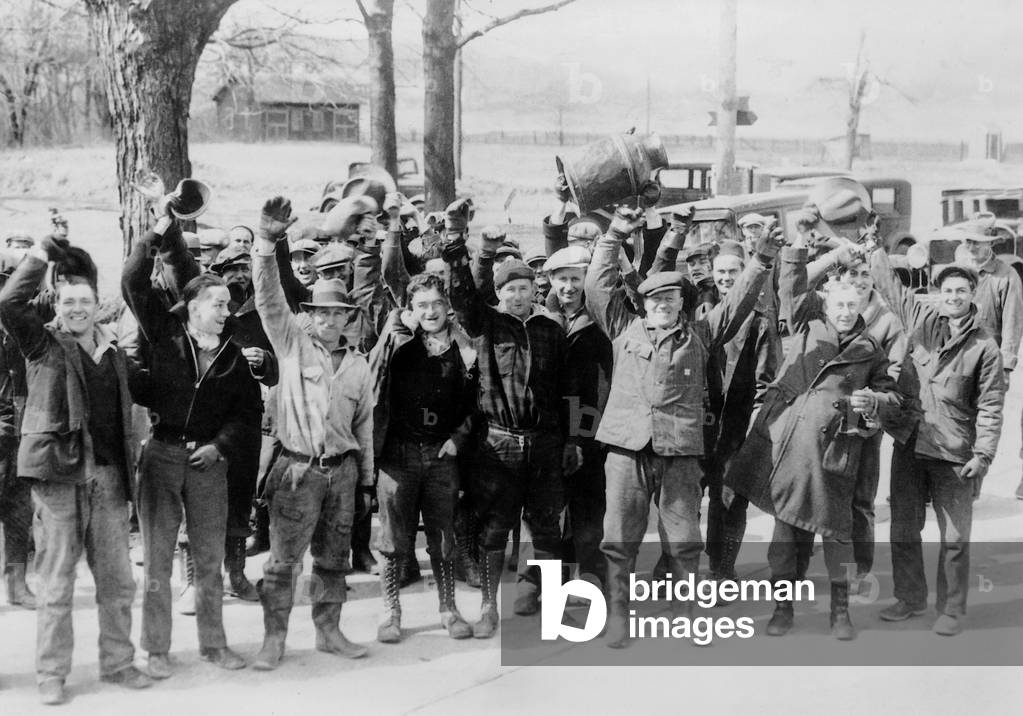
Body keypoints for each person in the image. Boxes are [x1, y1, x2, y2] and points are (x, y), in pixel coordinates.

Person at [586, 207, 777, 648]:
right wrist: (614, 232)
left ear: (682, 304)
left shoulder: (701, 335)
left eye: (672, 299)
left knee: (685, 540)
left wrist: (761, 261)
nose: (664, 305)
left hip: (679, 452)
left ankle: (686, 613)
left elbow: (738, 303)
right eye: (656, 300)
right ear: (644, 305)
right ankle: (618, 617)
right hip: (626, 450)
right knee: (619, 539)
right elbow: (598, 284)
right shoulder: (623, 328)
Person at [725, 233, 901, 642]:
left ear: (863, 307)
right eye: (838, 303)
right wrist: (827, 253)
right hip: (793, 450)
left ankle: (841, 612)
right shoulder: (806, 322)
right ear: (827, 302)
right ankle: (782, 609)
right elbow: (792, 283)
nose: (844, 311)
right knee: (785, 535)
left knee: (838, 536)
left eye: (852, 305)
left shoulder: (870, 348)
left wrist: (874, 400)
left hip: (836, 454)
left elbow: (892, 394)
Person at [0, 239, 152, 704]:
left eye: (85, 301)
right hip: (59, 478)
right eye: (68, 301)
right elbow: (8, 300)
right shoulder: (41, 343)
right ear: (56, 304)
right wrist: (42, 254)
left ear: (96, 305)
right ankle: (51, 673)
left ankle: (119, 662)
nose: (78, 309)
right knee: (58, 582)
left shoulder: (114, 353)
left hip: (108, 479)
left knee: (118, 581)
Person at [123, 212, 262, 677]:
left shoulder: (234, 355)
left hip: (208, 464)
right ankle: (156, 650)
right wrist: (159, 231)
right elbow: (132, 279)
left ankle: (214, 645)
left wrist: (220, 446)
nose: (227, 311)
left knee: (209, 561)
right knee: (159, 564)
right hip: (161, 456)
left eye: (228, 304)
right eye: (219, 304)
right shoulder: (164, 334)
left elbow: (248, 414)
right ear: (194, 305)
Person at [442, 199, 578, 638]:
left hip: (544, 443)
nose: (518, 295)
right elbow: (462, 293)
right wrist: (472, 247)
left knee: (547, 529)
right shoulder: (488, 326)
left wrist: (573, 440)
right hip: (498, 445)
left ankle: (554, 609)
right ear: (499, 294)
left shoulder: (551, 330)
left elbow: (566, 392)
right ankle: (487, 607)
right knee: (495, 529)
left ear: (536, 290)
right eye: (510, 289)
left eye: (525, 288)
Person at [250, 197, 374, 670]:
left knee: (333, 559)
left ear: (348, 318)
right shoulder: (291, 344)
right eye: (321, 313)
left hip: (340, 474)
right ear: (311, 315)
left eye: (337, 313)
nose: (328, 320)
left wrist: (364, 483)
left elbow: (362, 429)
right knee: (282, 564)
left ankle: (329, 632)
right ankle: (273, 639)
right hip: (296, 471)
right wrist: (266, 241)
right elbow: (267, 298)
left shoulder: (359, 366)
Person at [871, 249, 1005, 636]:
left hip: (954, 451)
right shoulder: (923, 322)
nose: (954, 297)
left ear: (972, 296)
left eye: (962, 291)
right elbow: (891, 289)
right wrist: (874, 248)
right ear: (939, 293)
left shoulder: (985, 347)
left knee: (955, 537)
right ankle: (910, 598)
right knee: (903, 528)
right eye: (948, 290)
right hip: (910, 441)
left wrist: (984, 455)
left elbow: (992, 406)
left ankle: (952, 610)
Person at [368, 272, 479, 643]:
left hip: (440, 456)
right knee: (393, 540)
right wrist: (399, 328)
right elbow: (375, 374)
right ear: (410, 310)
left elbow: (478, 401)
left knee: (443, 537)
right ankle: (391, 612)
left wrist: (458, 439)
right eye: (421, 305)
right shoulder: (399, 343)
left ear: (448, 307)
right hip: (397, 456)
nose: (430, 311)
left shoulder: (463, 348)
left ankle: (448, 608)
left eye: (436, 304)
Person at [543, 245, 613, 591]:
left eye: (575, 279)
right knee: (550, 511)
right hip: (551, 429)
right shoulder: (545, 320)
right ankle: (549, 582)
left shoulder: (598, 322)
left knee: (587, 512)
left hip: (588, 429)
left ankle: (591, 578)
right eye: (561, 280)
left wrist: (584, 438)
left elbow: (601, 386)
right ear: (552, 283)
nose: (568, 287)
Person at [952, 231, 1023, 499]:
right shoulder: (960, 268)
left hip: (989, 364)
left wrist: (1005, 368)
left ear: (990, 244)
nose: (969, 246)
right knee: (956, 419)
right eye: (966, 240)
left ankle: (972, 485)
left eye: (976, 242)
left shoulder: (1007, 276)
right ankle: (950, 481)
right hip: (958, 359)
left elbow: (1012, 324)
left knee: (984, 423)